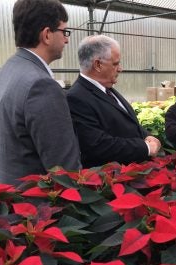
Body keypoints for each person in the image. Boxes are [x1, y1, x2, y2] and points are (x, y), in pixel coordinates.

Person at [0, 0, 81, 185]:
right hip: (36, 207)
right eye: (64, 31)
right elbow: (64, 170)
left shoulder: (8, 69)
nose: (67, 39)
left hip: (10, 196)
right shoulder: (41, 85)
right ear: (47, 35)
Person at [67, 35, 161, 168]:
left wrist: (147, 136)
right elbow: (97, 145)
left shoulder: (106, 88)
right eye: (115, 64)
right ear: (98, 65)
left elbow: (127, 123)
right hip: (113, 179)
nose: (120, 68)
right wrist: (145, 147)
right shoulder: (77, 98)